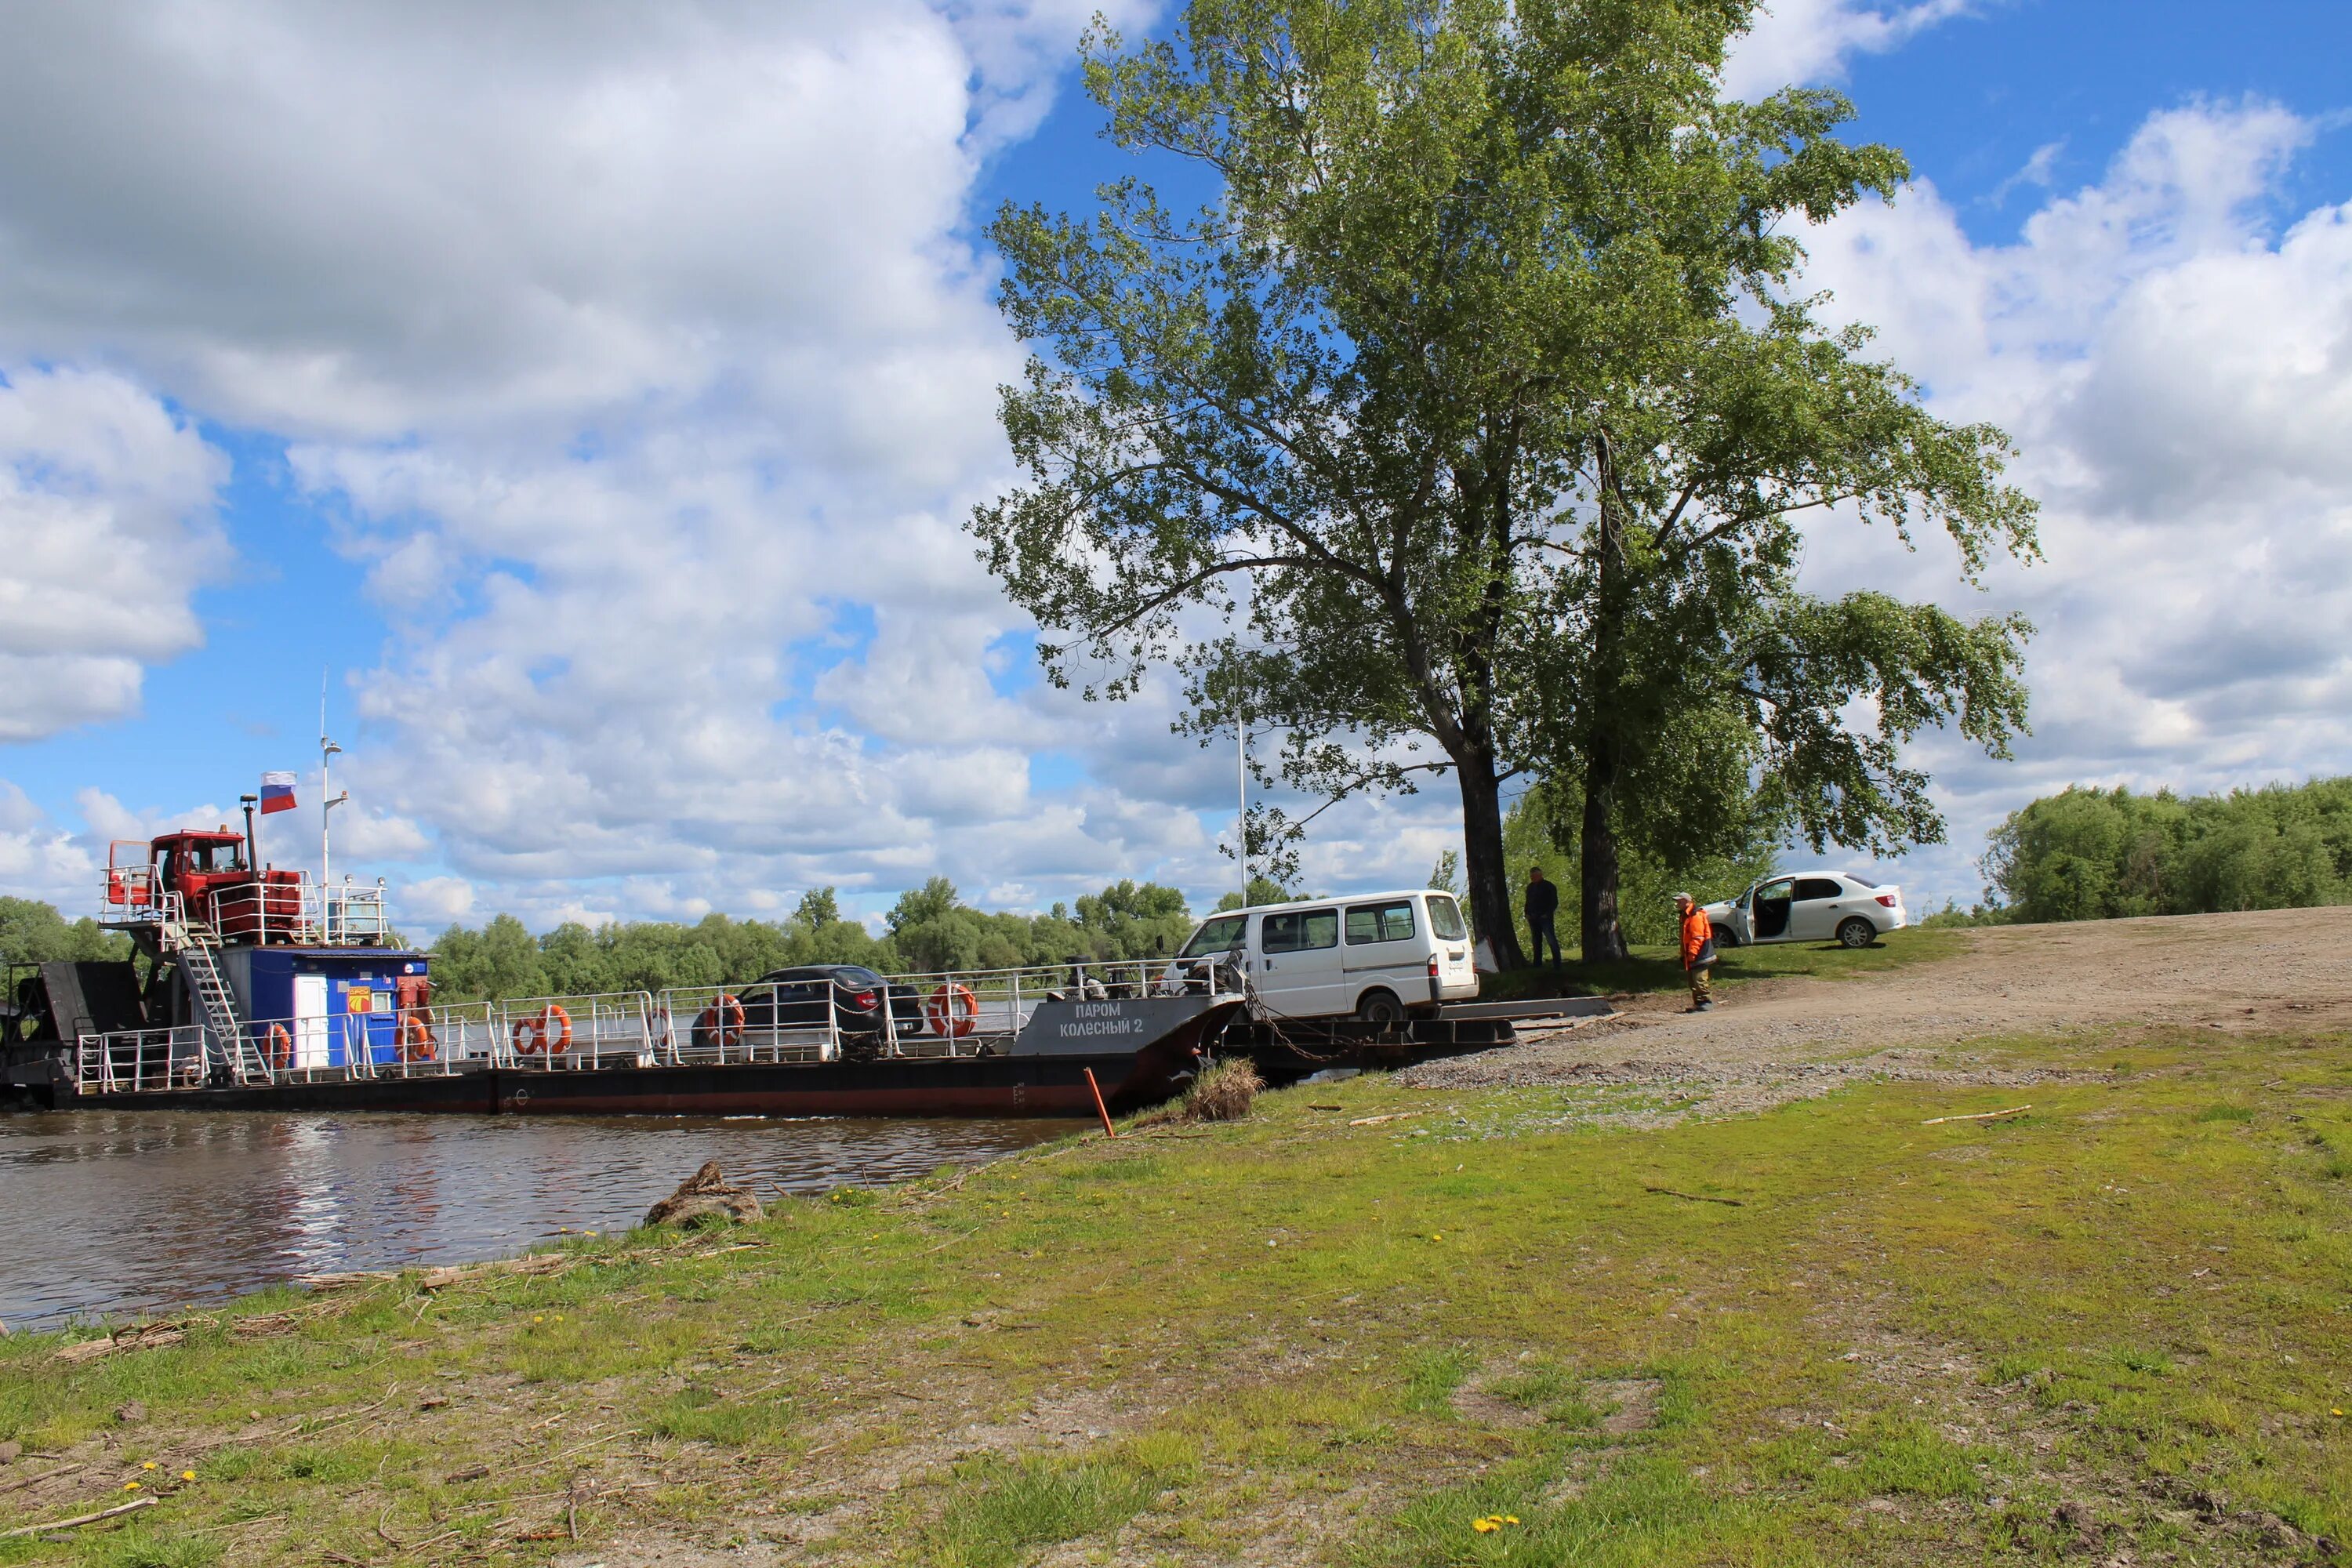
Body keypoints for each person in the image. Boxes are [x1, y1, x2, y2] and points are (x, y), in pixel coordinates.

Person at [1674, 891, 1716, 1012]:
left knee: (1700, 979)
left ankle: (1706, 1002)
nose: (1677, 903)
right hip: (1692, 954)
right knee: (1693, 981)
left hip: (1701, 953)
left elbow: (1698, 937)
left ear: (1686, 901)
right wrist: (1684, 954)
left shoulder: (1695, 915)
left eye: (1679, 901)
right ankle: (1698, 1004)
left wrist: (1692, 953)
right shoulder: (1685, 915)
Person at [1525, 866, 1562, 971]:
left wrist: (1547, 914)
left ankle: (1557, 964)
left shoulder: (1549, 886)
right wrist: (1527, 913)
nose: (1533, 878)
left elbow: (1554, 902)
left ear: (1540, 875)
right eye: (1531, 876)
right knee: (1536, 941)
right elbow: (1528, 902)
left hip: (1545, 918)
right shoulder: (1530, 887)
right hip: (1533, 917)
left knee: (1551, 939)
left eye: (1535, 876)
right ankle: (1537, 964)